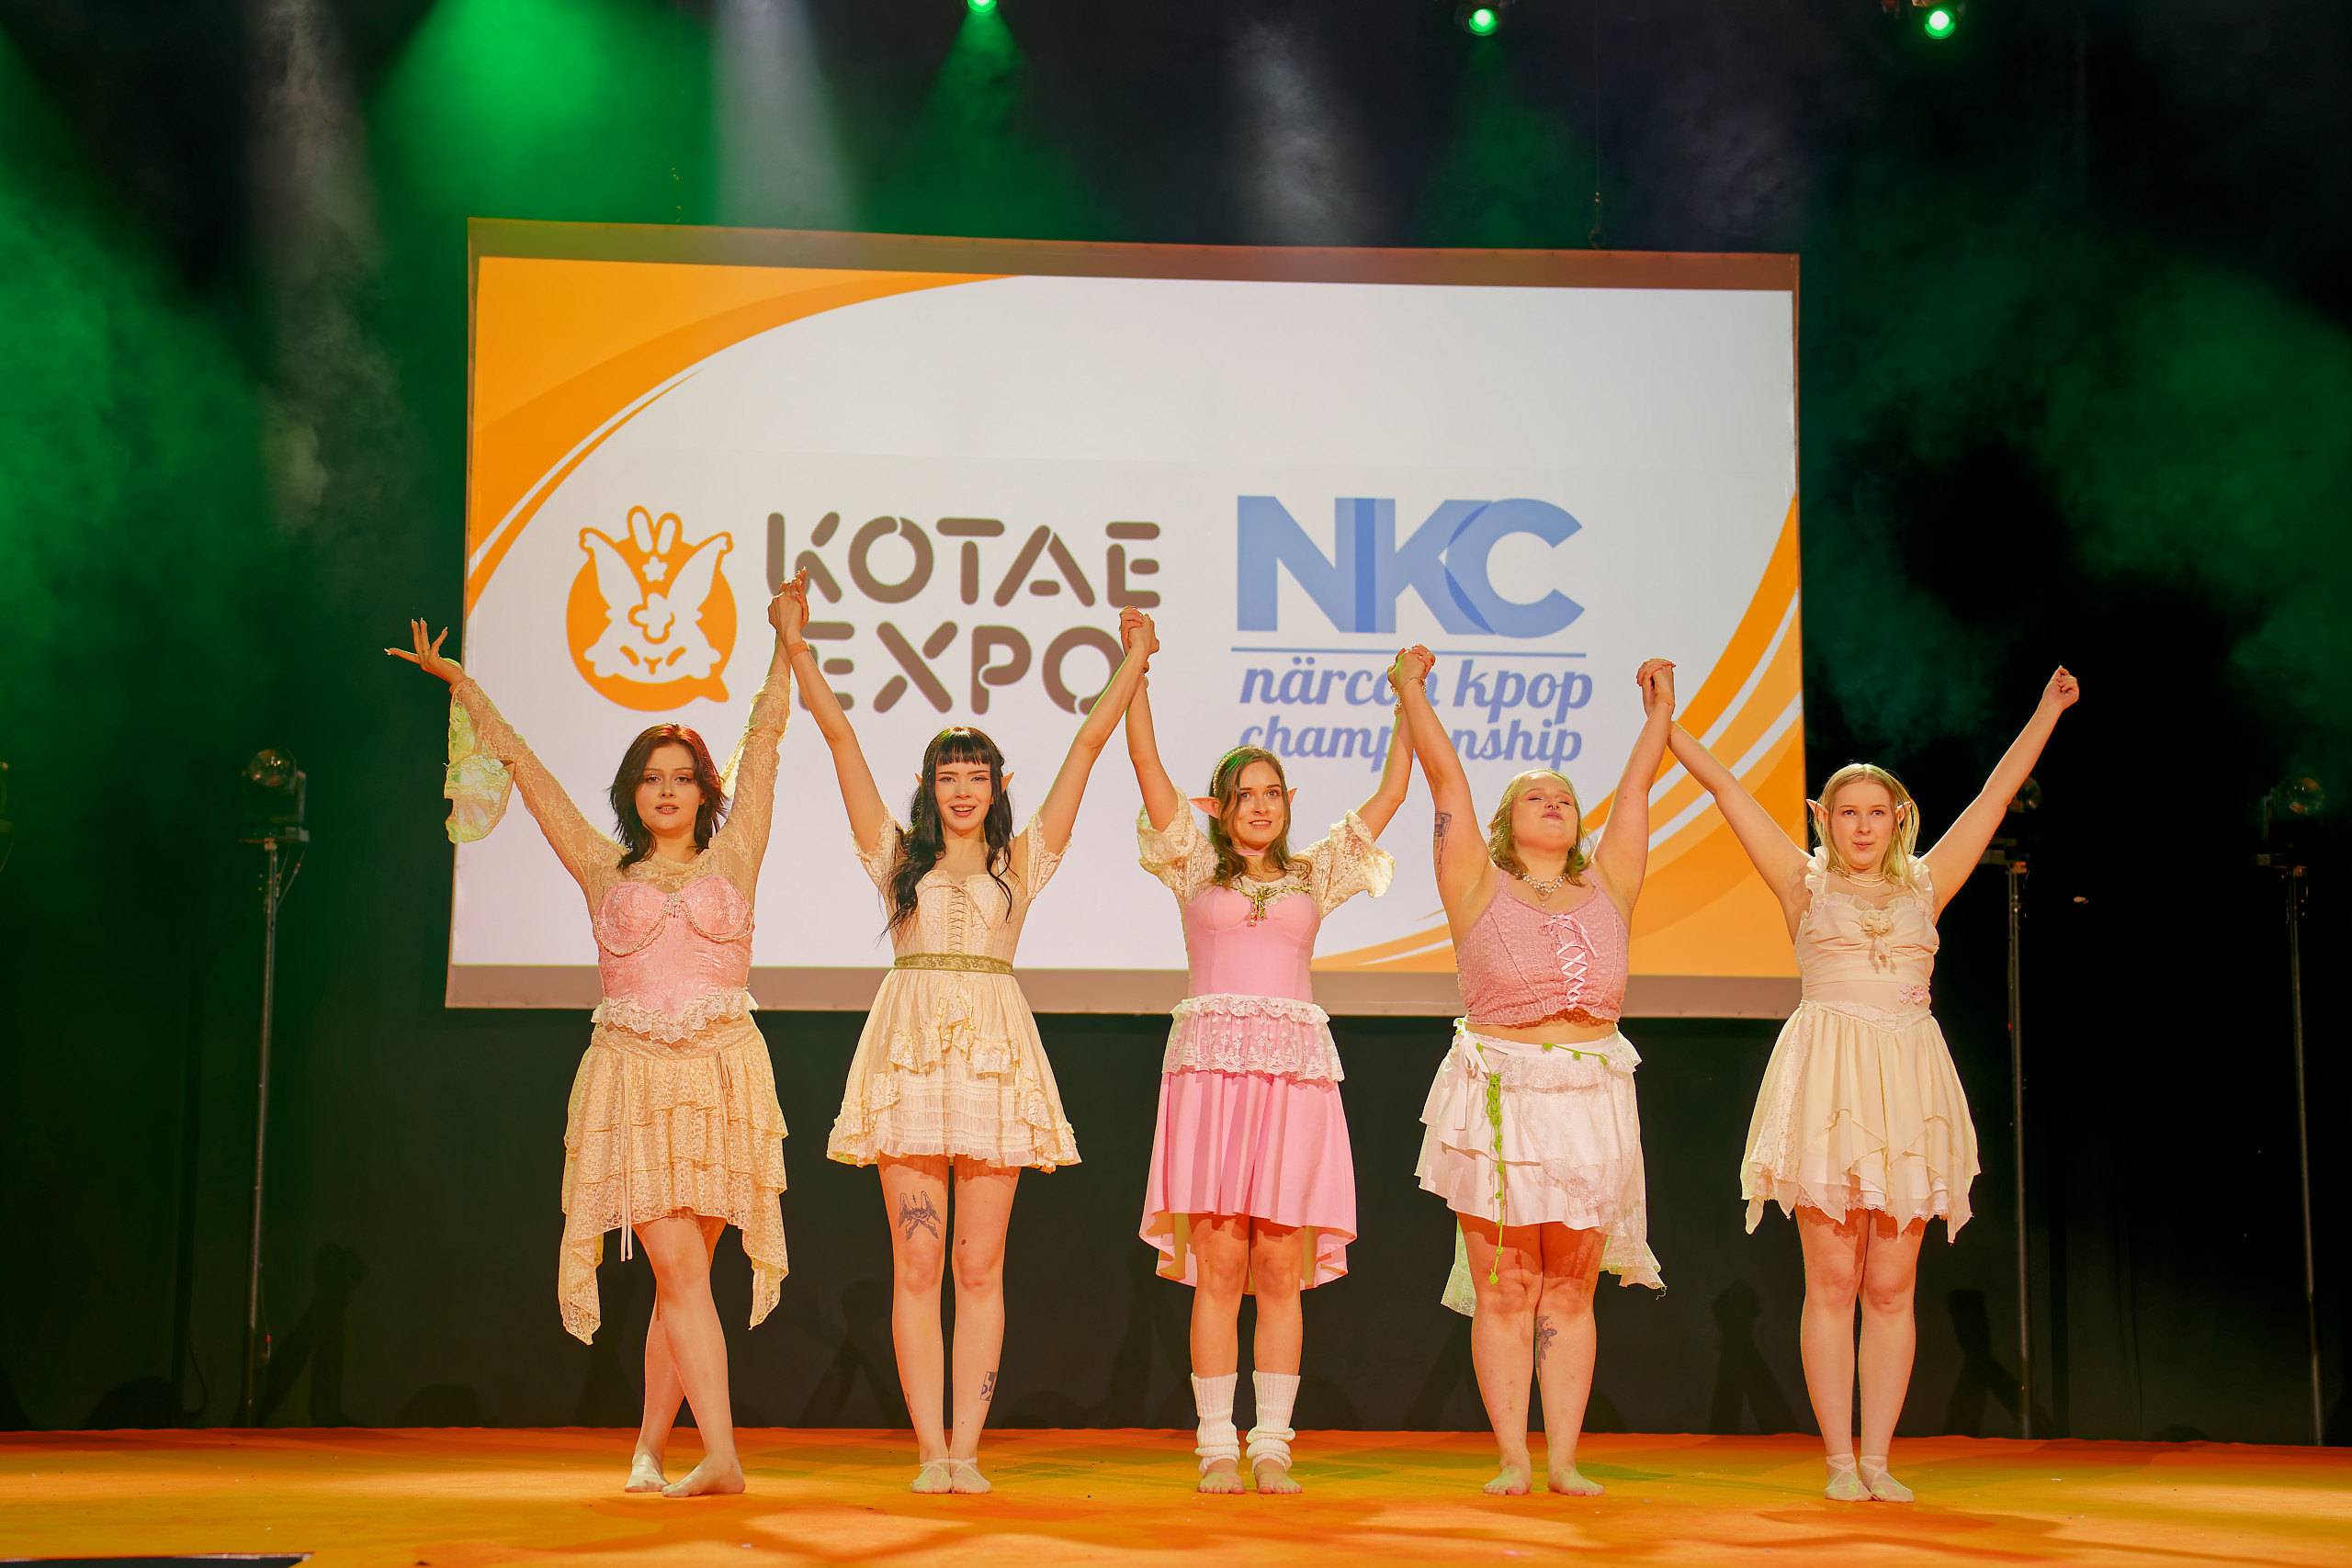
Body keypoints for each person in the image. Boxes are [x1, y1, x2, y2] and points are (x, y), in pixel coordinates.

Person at [384, 573, 806, 1498]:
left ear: (704, 789)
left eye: (682, 776)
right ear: (631, 792)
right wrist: (462, 685)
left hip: (722, 1077)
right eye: (651, 778)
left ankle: (650, 1450)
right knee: (678, 1269)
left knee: (681, 1281)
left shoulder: (737, 850)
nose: (667, 789)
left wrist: (786, 641)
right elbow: (527, 768)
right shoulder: (598, 862)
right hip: (633, 1079)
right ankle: (723, 1456)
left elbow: (767, 737)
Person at [1663, 667, 2080, 1501]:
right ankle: (1838, 1460)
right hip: (1829, 1084)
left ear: (1900, 817)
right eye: (1846, 811)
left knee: (1891, 1286)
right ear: (1823, 819)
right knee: (1833, 1280)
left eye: (1876, 812)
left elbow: (1995, 795)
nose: (1861, 824)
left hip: (1909, 1085)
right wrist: (1666, 723)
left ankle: (1880, 1459)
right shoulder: (1802, 880)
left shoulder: (1928, 881)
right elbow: (1727, 789)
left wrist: (2046, 712)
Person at [785, 579, 1157, 1495]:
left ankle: (967, 1449)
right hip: (909, 1058)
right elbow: (840, 739)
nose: (962, 789)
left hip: (994, 1063)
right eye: (947, 775)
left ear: (997, 787)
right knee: (918, 1262)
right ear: (928, 787)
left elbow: (1086, 746)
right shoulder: (895, 858)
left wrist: (1134, 661)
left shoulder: (1019, 861)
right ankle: (929, 1452)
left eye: (977, 775)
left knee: (977, 1265)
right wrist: (795, 645)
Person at [1124, 621, 1418, 1495]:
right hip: (1213, 1080)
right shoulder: (1193, 866)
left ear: (1288, 801)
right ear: (1218, 807)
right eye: (1243, 794)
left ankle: (1274, 1443)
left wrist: (1407, 695)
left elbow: (1393, 790)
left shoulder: (1316, 873)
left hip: (1292, 1083)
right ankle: (1218, 1440)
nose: (1259, 805)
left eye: (1272, 792)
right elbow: (1145, 763)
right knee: (1219, 1267)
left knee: (1281, 1269)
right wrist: (1138, 666)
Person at [1396, 648, 1679, 1496]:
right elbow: (1445, 779)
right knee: (1506, 1283)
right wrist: (1410, 690)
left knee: (1571, 1285)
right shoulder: (1475, 880)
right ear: (1503, 821)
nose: (1554, 801)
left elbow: (1637, 791)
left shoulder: (1610, 883)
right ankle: (1513, 1457)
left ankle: (1562, 1459)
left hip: (1592, 1092)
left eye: (1564, 796)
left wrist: (1659, 712)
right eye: (1534, 795)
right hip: (1500, 1087)